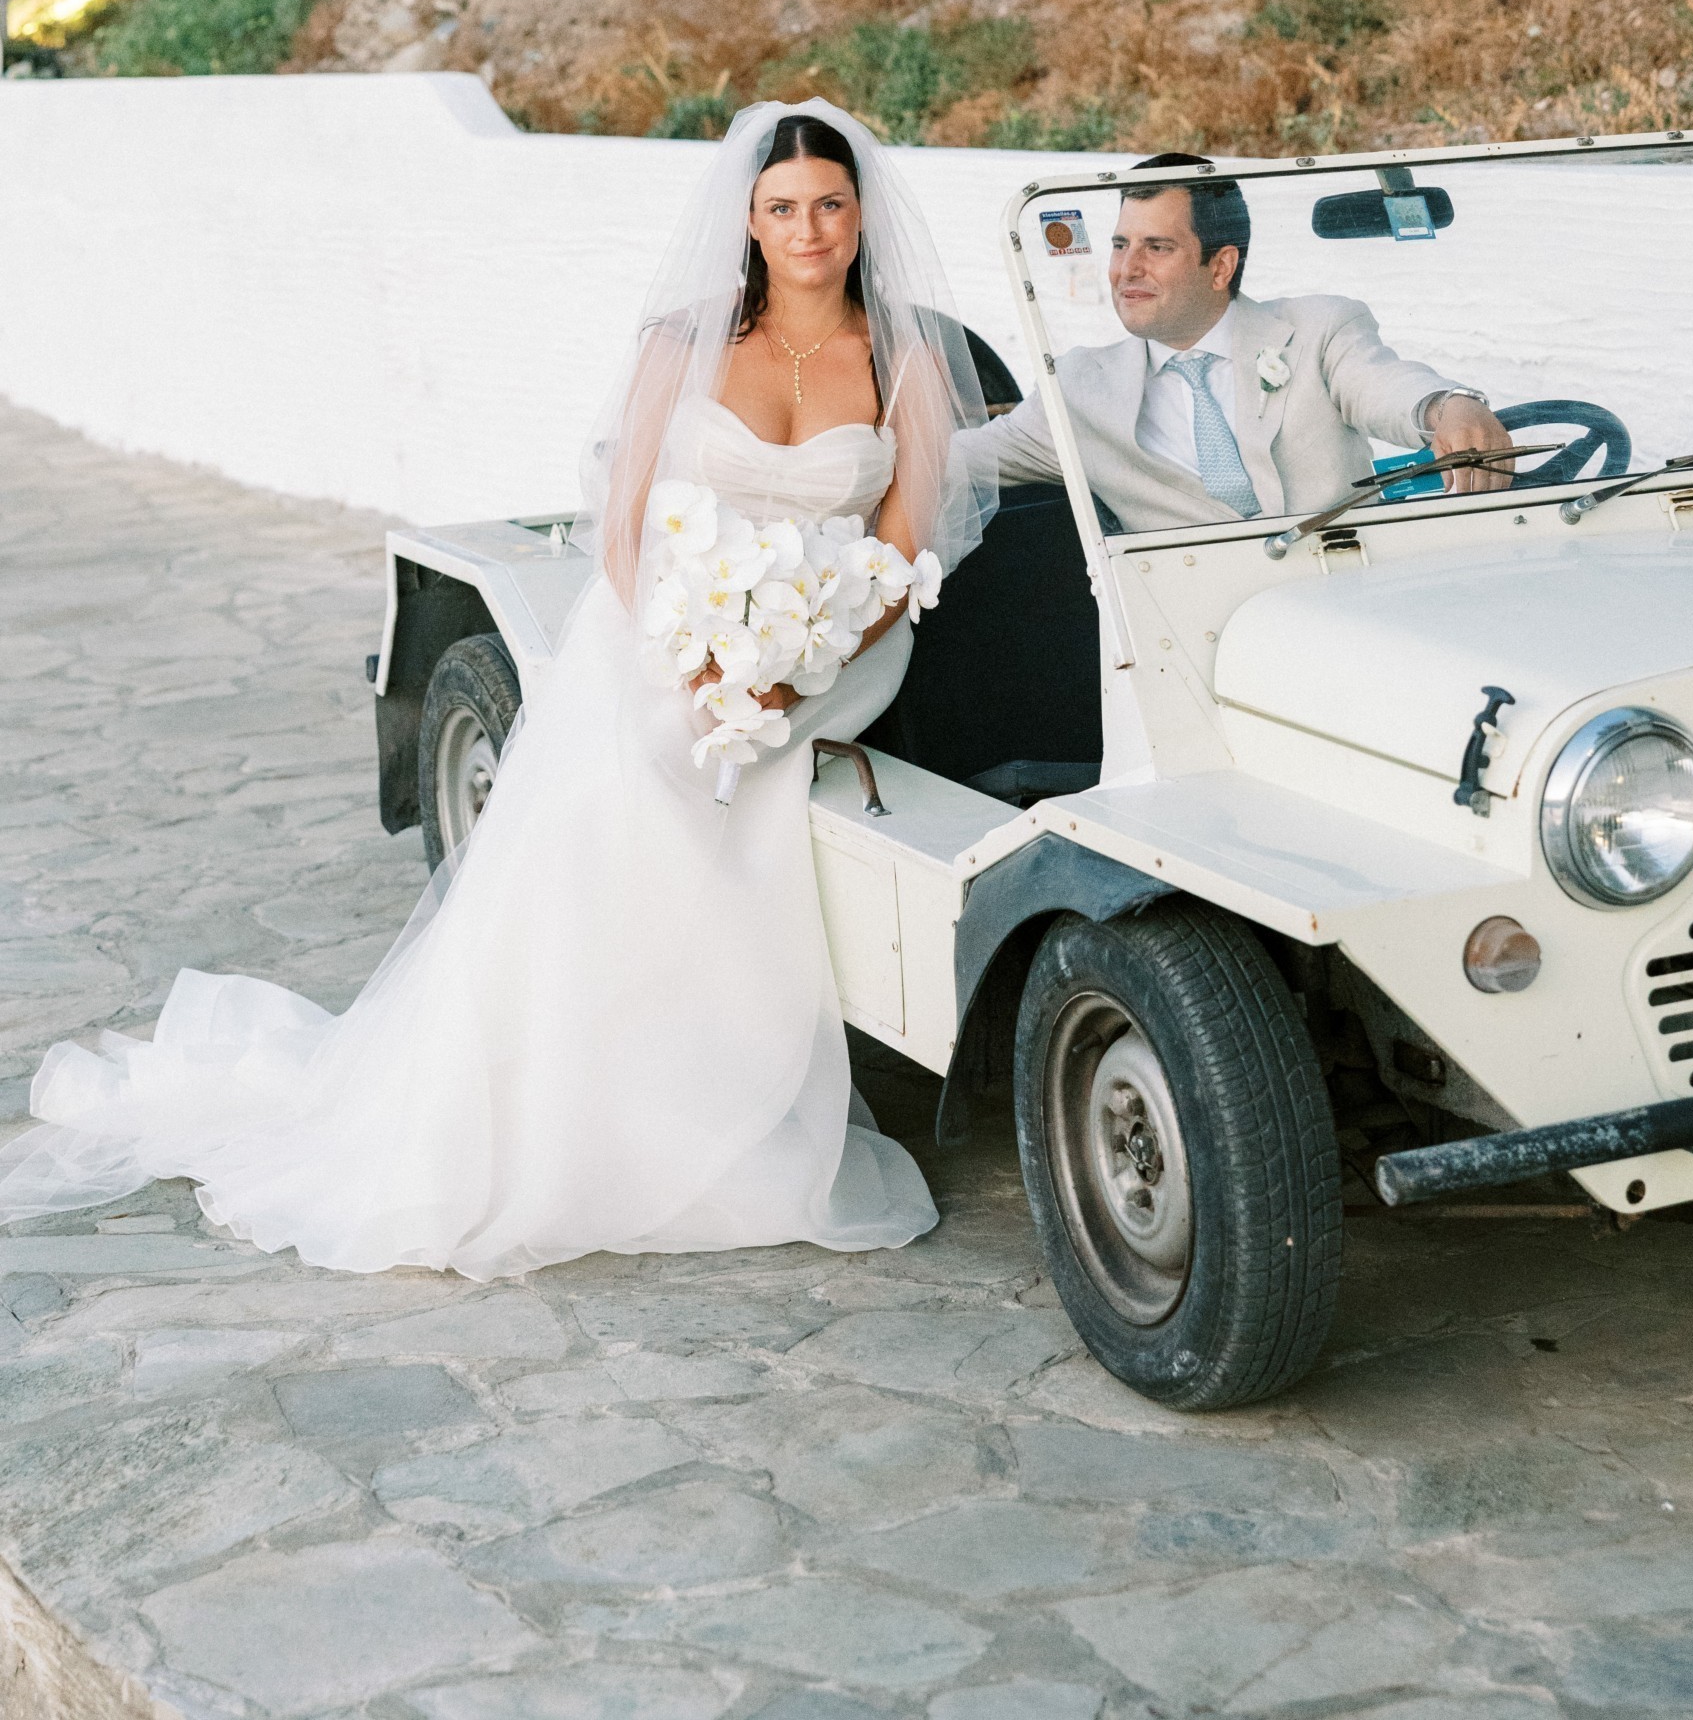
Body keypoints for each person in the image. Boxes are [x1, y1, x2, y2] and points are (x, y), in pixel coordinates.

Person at [0, 104, 995, 1276]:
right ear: (749, 219)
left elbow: (901, 549)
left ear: (862, 214)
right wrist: (694, 650)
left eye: (829, 204)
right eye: (783, 208)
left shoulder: (904, 360)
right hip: (669, 621)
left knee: (731, 760)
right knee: (641, 767)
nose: (808, 229)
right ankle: (588, 1090)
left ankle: (712, 1087)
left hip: (838, 641)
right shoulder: (683, 340)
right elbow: (624, 526)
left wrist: (793, 662)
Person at [974, 157, 1512, 531]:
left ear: (1221, 266)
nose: (1126, 269)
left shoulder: (1320, 329)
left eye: (1157, 247)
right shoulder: (1076, 387)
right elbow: (961, 463)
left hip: (1349, 595)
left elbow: (1387, 387)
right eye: (1120, 245)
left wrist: (1450, 407)